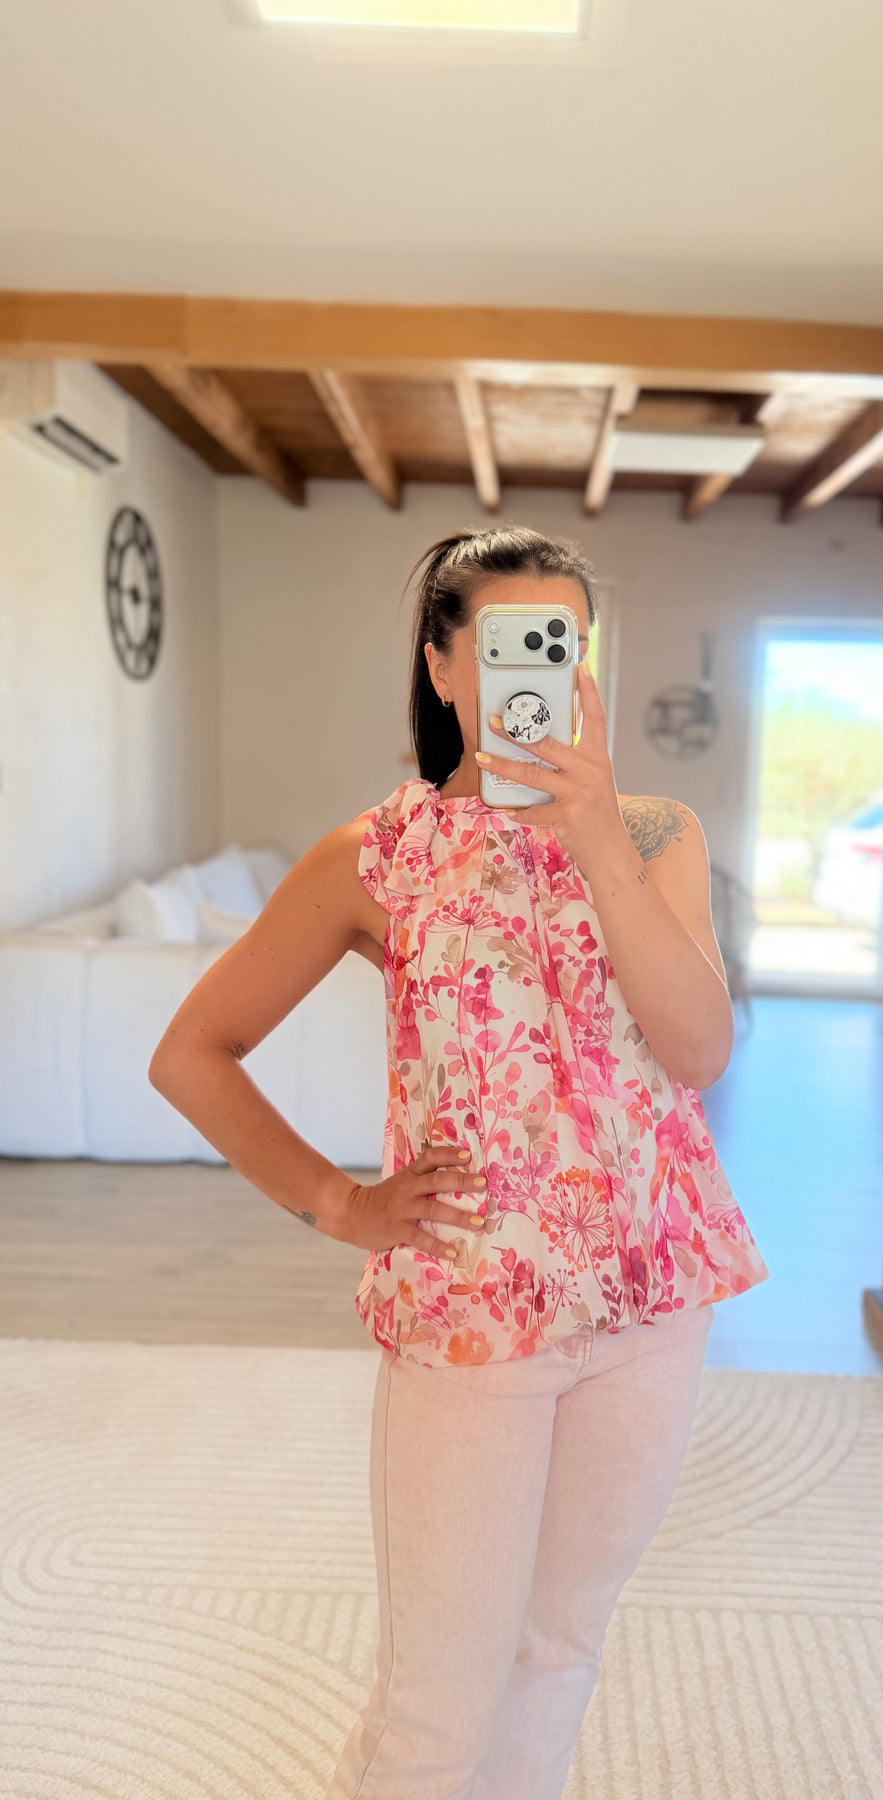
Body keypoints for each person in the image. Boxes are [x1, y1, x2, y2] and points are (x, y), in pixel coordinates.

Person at [149, 525, 770, 1800]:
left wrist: (598, 847)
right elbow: (192, 1052)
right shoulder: (375, 856)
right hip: (473, 1309)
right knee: (434, 1709)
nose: (533, 672)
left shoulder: (655, 835)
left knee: (559, 1651)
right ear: (441, 668)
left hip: (652, 1301)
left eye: (560, 644)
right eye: (501, 646)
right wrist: (337, 1201)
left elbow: (698, 1051)